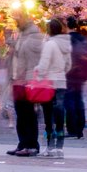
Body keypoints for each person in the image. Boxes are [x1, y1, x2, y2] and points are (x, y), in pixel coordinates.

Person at [33, 17, 72, 158]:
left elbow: (43, 64)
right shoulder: (66, 44)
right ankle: (60, 148)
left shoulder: (49, 44)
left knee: (48, 116)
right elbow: (68, 65)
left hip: (49, 83)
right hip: (61, 81)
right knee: (60, 115)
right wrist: (60, 73)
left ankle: (49, 146)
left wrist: (38, 73)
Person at [8, 12, 45, 157]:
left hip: (28, 79)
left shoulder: (34, 37)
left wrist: (26, 76)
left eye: (18, 20)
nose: (16, 23)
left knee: (28, 113)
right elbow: (19, 57)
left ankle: (31, 144)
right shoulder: (21, 36)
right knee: (20, 113)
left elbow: (32, 60)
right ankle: (22, 143)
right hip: (18, 79)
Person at [65, 16, 87, 139]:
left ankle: (72, 129)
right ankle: (80, 128)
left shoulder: (67, 39)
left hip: (69, 73)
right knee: (79, 100)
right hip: (81, 74)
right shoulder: (83, 39)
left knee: (69, 101)